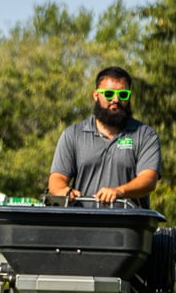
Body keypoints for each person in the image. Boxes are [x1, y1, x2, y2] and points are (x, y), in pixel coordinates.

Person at [48, 66, 161, 207]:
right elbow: (57, 178)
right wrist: (64, 191)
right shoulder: (73, 134)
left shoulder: (145, 135)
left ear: (129, 97)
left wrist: (119, 192)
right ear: (96, 95)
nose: (116, 99)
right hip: (83, 223)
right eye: (108, 94)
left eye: (123, 94)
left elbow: (148, 179)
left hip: (129, 225)